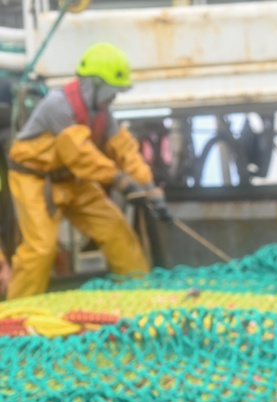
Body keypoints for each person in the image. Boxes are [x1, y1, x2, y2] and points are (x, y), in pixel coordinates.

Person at [5, 42, 170, 300]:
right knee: (41, 248)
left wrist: (149, 189)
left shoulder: (102, 113)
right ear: (93, 85)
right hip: (35, 180)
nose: (113, 97)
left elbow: (124, 150)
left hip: (72, 179)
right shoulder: (58, 106)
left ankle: (141, 296)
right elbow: (80, 154)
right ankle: (13, 319)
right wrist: (121, 182)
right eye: (111, 91)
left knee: (116, 231)